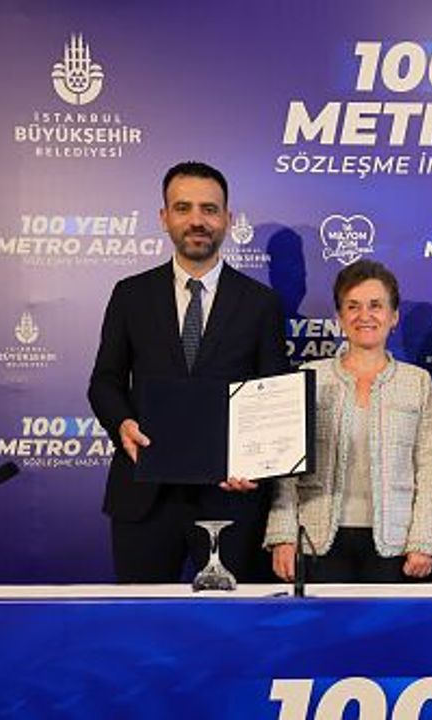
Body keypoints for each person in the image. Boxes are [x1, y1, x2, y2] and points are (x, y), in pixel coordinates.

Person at [88, 161, 286, 583]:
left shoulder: (261, 303)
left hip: (230, 499)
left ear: (227, 219)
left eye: (209, 209)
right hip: (144, 495)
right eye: (183, 208)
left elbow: (273, 394)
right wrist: (122, 424)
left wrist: (257, 462)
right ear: (164, 217)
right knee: (142, 618)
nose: (197, 220)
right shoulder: (130, 295)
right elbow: (104, 382)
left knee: (231, 621)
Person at [266, 260, 432, 582]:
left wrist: (424, 540)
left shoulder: (417, 382)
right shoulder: (310, 377)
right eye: (353, 306)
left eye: (376, 305)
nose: (365, 316)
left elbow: (431, 468)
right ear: (339, 317)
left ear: (394, 316)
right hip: (316, 540)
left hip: (395, 544)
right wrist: (283, 535)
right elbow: (286, 471)